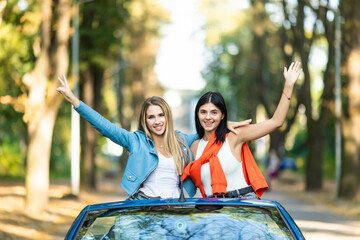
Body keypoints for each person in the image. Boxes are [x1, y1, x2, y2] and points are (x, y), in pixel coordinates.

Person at [57, 75, 250, 200]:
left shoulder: (182, 141)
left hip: (176, 207)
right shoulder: (136, 141)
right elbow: (105, 127)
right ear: (145, 120)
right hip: (144, 205)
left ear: (167, 117)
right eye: (151, 117)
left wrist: (227, 124)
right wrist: (75, 101)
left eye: (160, 115)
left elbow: (209, 129)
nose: (157, 121)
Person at [181, 61, 303, 200]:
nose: (208, 117)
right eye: (203, 112)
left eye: (214, 112)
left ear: (222, 116)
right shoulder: (194, 146)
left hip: (243, 206)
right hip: (212, 210)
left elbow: (276, 122)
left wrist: (288, 85)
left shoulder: (235, 136)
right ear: (197, 115)